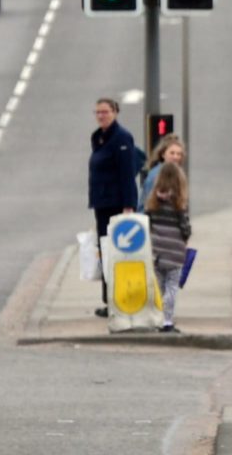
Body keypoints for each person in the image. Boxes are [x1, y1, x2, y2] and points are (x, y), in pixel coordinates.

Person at [88, 98, 142, 318]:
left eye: (106, 112)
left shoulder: (121, 138)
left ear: (115, 112)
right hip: (102, 203)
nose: (101, 116)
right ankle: (110, 300)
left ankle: (120, 300)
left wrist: (129, 205)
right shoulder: (98, 137)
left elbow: (127, 173)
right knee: (105, 253)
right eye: (98, 112)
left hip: (116, 205)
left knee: (118, 254)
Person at [145, 163, 192, 333]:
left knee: (159, 287)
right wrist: (185, 237)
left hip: (157, 252)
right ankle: (167, 321)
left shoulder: (152, 202)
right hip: (175, 253)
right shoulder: (179, 204)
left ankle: (157, 318)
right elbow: (185, 229)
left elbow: (147, 223)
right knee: (172, 287)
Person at [140, 134, 186, 209]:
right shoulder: (156, 174)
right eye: (172, 153)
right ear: (163, 154)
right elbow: (147, 202)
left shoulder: (178, 174)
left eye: (179, 154)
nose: (176, 157)